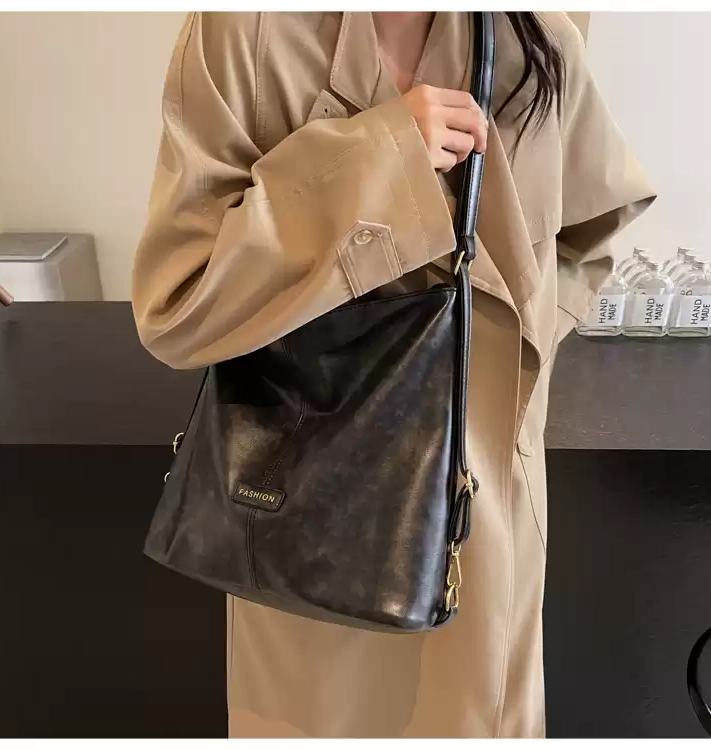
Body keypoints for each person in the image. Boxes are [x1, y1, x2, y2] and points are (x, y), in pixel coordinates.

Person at [132, 11, 655, 738]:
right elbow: (179, 302)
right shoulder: (245, 33)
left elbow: (586, 239)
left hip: (481, 515)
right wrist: (380, 159)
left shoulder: (534, 35)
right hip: (304, 511)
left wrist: (500, 360)